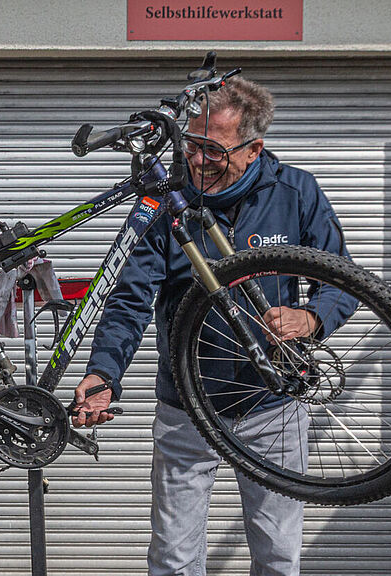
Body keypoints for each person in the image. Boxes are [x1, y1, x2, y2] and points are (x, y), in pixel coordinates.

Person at [72, 77, 353, 576]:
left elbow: (343, 279)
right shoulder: (166, 200)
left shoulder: (296, 193)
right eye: (191, 145)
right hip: (186, 406)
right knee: (173, 558)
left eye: (214, 150)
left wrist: (311, 318)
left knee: (278, 555)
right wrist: (104, 373)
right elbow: (131, 298)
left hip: (273, 405)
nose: (198, 160)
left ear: (253, 149)